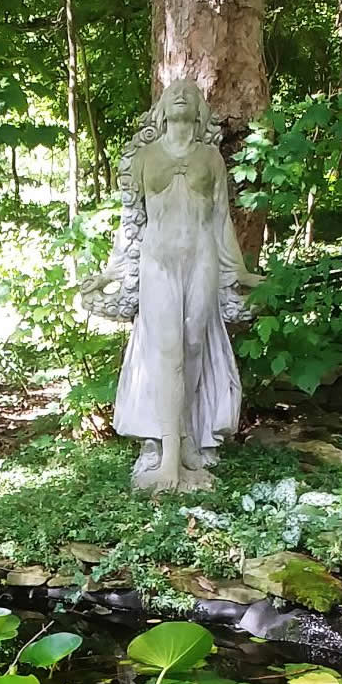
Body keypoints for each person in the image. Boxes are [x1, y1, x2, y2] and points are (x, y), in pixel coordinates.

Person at [82, 79, 261, 493]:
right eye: (173, 91)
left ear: (199, 110)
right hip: (158, 261)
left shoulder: (210, 157)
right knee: (167, 351)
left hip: (201, 258)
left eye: (189, 92)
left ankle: (185, 437)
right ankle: (166, 458)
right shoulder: (145, 156)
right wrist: (112, 272)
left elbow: (221, 220)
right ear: (161, 109)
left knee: (194, 345)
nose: (180, 93)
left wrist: (238, 271)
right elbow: (131, 221)